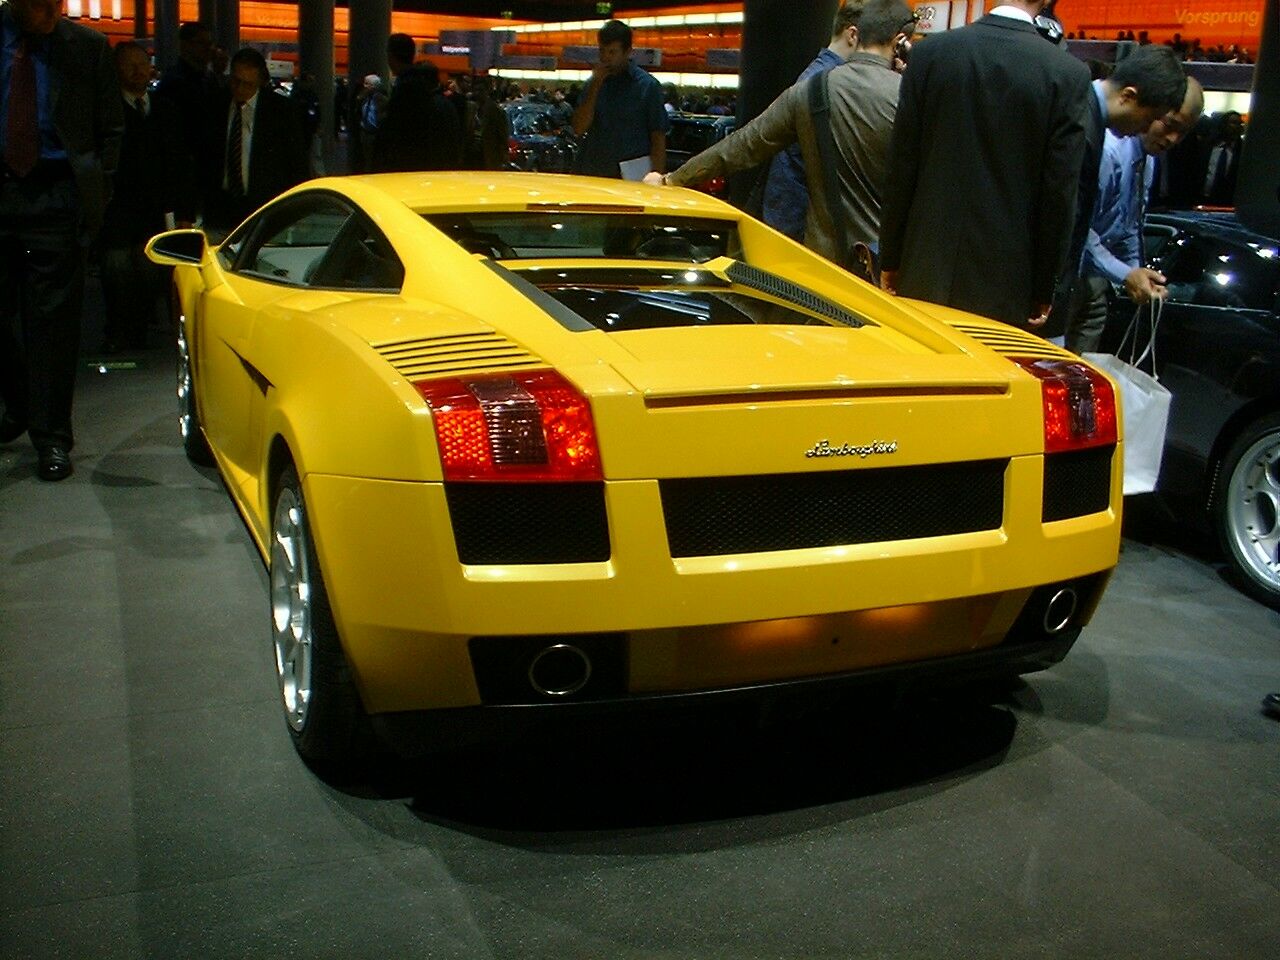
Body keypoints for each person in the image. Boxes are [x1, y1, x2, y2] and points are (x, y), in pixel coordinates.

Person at [645, 0, 914, 272]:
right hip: (885, 270)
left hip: (821, 267)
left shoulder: (811, 90)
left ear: (858, 34)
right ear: (901, 41)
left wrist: (671, 179)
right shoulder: (908, 96)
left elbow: (744, 145)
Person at [878, 1, 1093, 329]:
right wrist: (1044, 284)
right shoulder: (1066, 74)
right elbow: (1059, 194)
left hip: (924, 265)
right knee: (986, 378)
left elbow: (902, 165)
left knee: (919, 373)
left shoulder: (930, 54)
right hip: (1007, 282)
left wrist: (891, 256)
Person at [0, 0, 123, 481]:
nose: (53, 11)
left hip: (55, 196)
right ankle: (21, 401)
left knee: (52, 325)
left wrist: (96, 187)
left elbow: (110, 127)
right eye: (41, 3)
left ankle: (51, 438)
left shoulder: (87, 48)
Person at [1053, 45, 1190, 340]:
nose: (1145, 128)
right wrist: (1126, 273)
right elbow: (1074, 220)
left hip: (1087, 273)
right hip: (1060, 277)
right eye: (1154, 120)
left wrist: (1134, 271)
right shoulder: (1088, 129)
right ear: (1128, 96)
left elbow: (1128, 223)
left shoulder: (1140, 155)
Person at [100, 40, 185, 353]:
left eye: (143, 63)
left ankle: (138, 330)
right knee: (117, 269)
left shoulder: (164, 109)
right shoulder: (108, 111)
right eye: (130, 65)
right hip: (117, 210)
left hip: (154, 210)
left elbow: (177, 163)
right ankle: (119, 331)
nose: (138, 70)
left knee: (150, 271)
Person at [760, 2, 864, 243]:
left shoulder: (819, 76)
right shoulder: (825, 82)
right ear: (852, 34)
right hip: (795, 220)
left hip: (788, 213)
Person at [201, 48, 308, 236]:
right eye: (236, 81)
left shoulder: (281, 111)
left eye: (247, 84)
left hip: (263, 207)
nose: (240, 89)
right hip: (220, 208)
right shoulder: (214, 104)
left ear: (259, 82)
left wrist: (298, 210)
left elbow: (296, 162)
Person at [571, 19, 669, 179]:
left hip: (632, 175)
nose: (605, 58)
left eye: (612, 52)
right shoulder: (593, 84)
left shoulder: (647, 87)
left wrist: (656, 176)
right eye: (602, 51)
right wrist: (595, 85)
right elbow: (579, 128)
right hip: (594, 172)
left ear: (628, 52)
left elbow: (658, 138)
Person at [371, 35, 461, 172]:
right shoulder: (431, 95)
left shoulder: (406, 87)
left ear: (391, 55)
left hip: (408, 167)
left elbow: (399, 133)